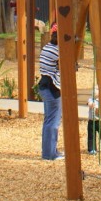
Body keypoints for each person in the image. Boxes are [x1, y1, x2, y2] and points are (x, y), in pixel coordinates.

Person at [38, 25, 63, 160]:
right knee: (53, 122)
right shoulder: (58, 51)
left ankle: (51, 150)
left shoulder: (47, 47)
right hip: (52, 88)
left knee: (49, 121)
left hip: (45, 86)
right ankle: (49, 154)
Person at [87, 86, 101, 155]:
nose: (94, 91)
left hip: (99, 121)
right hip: (91, 121)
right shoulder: (91, 99)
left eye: (96, 89)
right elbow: (89, 104)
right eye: (93, 89)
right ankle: (92, 149)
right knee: (91, 135)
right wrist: (92, 105)